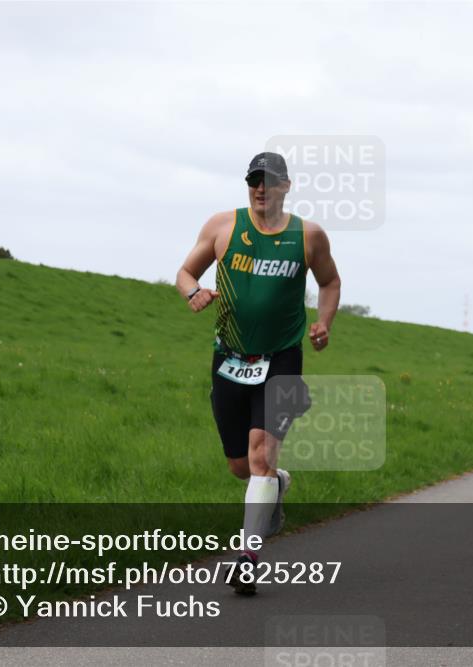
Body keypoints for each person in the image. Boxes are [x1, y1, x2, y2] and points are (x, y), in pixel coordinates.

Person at [176, 152, 341, 594]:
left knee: (260, 455)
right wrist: (192, 291)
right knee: (240, 467)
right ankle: (277, 484)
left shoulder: (308, 236)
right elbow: (186, 271)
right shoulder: (223, 227)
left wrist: (324, 322)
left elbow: (330, 282)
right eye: (254, 180)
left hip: (282, 356)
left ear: (286, 186)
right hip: (230, 357)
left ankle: (247, 558)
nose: (260, 188)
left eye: (269, 181)